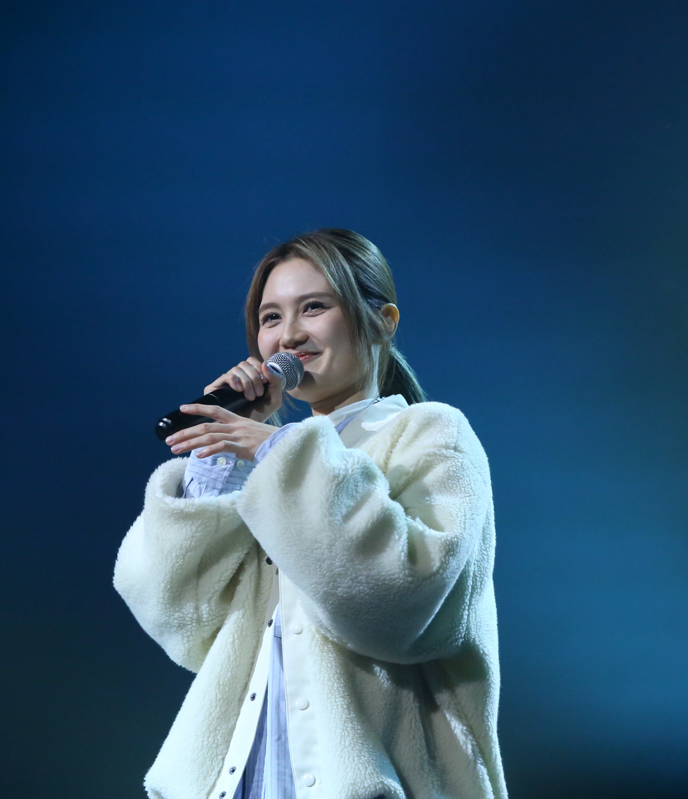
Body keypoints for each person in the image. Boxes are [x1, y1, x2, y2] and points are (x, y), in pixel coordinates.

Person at [114, 229, 505, 799]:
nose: (289, 334)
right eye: (270, 317)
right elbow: (182, 619)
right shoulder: (266, 464)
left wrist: (278, 450)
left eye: (314, 307)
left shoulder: (431, 434)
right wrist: (218, 461)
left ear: (383, 322)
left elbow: (402, 606)